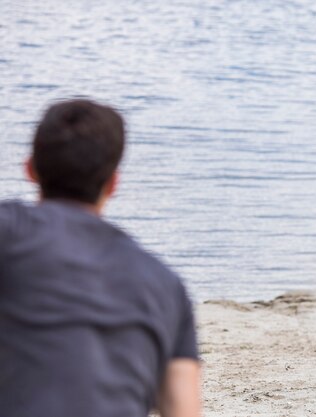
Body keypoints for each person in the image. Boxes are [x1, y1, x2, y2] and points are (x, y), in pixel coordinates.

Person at [0, 99, 201, 417]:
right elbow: (183, 409)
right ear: (113, 183)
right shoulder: (166, 285)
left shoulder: (9, 232)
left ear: (30, 169)